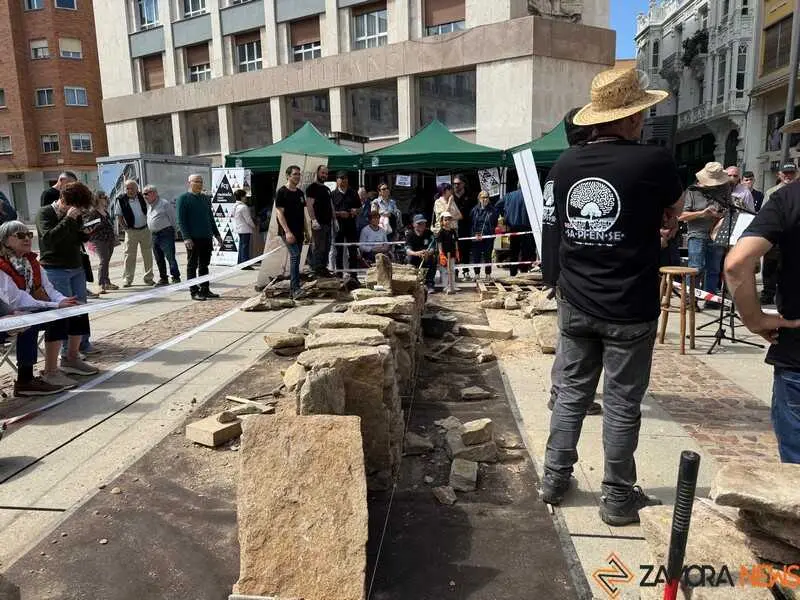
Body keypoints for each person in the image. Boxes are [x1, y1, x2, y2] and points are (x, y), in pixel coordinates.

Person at [541, 68, 684, 526]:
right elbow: (674, 210)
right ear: (629, 118)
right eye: (641, 111)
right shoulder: (653, 162)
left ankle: (553, 479)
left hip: (576, 301)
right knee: (622, 405)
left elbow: (559, 228)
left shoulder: (564, 165)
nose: (644, 119)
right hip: (629, 304)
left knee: (569, 395)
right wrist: (661, 228)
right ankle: (617, 497)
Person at [725, 179, 800, 462]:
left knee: (796, 478)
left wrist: (754, 320)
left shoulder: (789, 197)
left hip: (797, 350)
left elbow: (736, 263)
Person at [543, 107, 603, 418]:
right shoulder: (576, 168)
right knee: (576, 342)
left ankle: (563, 391)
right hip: (573, 270)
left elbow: (550, 224)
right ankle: (565, 394)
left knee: (569, 338)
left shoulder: (559, 168)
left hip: (561, 267)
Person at [0, 221, 85, 396]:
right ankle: (25, 380)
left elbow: (49, 289)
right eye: (20, 235)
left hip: (25, 311)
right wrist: (55, 305)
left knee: (76, 311)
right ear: (6, 241)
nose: (27, 239)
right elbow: (18, 300)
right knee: (33, 319)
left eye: (29, 235)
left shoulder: (31, 263)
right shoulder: (2, 267)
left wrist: (63, 301)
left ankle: (66, 362)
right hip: (11, 316)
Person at [36, 181, 101, 376]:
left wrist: (85, 234)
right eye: (75, 206)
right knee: (64, 314)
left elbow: (72, 239)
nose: (77, 210)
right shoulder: (45, 213)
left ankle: (73, 356)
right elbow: (48, 240)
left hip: (76, 267)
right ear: (63, 200)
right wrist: (67, 221)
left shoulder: (75, 215)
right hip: (56, 269)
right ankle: (62, 358)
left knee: (79, 312)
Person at [679, 162, 730, 302]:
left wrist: (722, 214)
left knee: (713, 269)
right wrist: (702, 213)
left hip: (718, 233)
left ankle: (711, 299)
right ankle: (690, 299)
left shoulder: (724, 188)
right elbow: (681, 215)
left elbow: (730, 208)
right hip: (697, 233)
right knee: (695, 268)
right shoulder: (692, 191)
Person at [176, 174, 223, 301]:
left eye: (201, 182)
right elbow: (181, 220)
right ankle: (194, 291)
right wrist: (186, 237)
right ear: (189, 183)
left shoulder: (205, 198)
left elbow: (210, 218)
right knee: (192, 265)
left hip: (206, 237)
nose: (199, 184)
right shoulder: (183, 198)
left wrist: (217, 235)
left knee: (204, 265)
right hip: (192, 238)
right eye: (196, 182)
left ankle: (205, 289)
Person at [761, 163, 798, 305]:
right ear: (779, 174)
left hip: (793, 235)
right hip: (775, 234)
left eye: (791, 173)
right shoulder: (772, 192)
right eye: (785, 173)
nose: (788, 176)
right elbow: (764, 215)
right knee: (770, 266)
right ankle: (767, 294)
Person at [274, 165, 306, 299]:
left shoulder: (300, 193)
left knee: (297, 259)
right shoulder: (282, 192)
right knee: (295, 256)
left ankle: (296, 286)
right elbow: (279, 214)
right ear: (288, 176)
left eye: (299, 174)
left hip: (299, 231)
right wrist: (287, 232)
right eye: (295, 174)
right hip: (287, 231)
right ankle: (294, 289)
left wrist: (307, 231)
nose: (297, 176)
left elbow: (303, 214)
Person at [115, 180, 154, 287]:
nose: (129, 190)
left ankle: (148, 278)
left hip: (145, 229)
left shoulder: (142, 197)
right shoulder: (121, 200)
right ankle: (127, 279)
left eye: (132, 188)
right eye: (127, 188)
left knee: (147, 255)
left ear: (137, 189)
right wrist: (125, 229)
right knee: (129, 256)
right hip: (131, 231)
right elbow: (119, 216)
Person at [144, 185, 181, 286]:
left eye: (146, 193)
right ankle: (163, 278)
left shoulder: (164, 204)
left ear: (154, 193)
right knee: (158, 257)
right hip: (154, 235)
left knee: (170, 256)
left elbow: (173, 218)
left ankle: (176, 277)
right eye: (144, 194)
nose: (145, 196)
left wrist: (175, 231)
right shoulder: (150, 206)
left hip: (165, 233)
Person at [496, 185, 535, 276]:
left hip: (511, 227)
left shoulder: (509, 195)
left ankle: (513, 273)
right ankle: (524, 271)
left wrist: (504, 217)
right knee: (526, 251)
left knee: (513, 251)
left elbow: (497, 206)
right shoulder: (529, 195)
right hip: (526, 227)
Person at [85, 190, 118, 294]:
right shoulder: (93, 212)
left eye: (105, 196)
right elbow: (87, 226)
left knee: (107, 260)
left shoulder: (105, 211)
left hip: (109, 239)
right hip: (99, 240)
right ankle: (101, 284)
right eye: (103, 197)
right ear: (97, 198)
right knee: (103, 260)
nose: (106, 198)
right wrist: (97, 223)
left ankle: (107, 282)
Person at [305, 165, 335, 277]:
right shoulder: (312, 188)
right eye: (322, 173)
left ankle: (323, 268)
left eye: (326, 173)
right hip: (318, 224)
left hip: (328, 223)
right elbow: (309, 204)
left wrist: (334, 220)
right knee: (318, 247)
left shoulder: (327, 189)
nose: (324, 175)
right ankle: (316, 269)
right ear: (317, 173)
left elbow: (331, 205)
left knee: (327, 247)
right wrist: (313, 220)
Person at [332, 172, 361, 280]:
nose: (344, 180)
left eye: (346, 178)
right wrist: (339, 214)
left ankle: (353, 276)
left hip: (351, 225)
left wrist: (356, 211)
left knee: (353, 251)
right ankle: (339, 275)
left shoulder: (353, 193)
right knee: (338, 251)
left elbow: (359, 208)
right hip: (338, 226)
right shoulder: (333, 194)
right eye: (341, 178)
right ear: (337, 180)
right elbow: (329, 211)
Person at [469, 191, 497, 280]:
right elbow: (470, 222)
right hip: (476, 236)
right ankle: (477, 274)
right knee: (476, 256)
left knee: (487, 256)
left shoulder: (493, 210)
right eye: (483, 197)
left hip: (488, 236)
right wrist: (473, 234)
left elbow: (495, 223)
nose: (485, 199)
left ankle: (488, 274)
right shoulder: (474, 210)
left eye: (486, 197)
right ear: (479, 198)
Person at [405, 214, 436, 293]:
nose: (422, 225)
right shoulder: (410, 234)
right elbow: (408, 250)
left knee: (433, 258)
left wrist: (428, 253)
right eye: (419, 223)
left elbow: (432, 247)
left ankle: (430, 284)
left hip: (426, 256)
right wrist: (416, 253)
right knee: (409, 258)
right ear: (414, 224)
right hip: (415, 256)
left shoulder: (429, 233)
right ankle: (411, 281)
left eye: (423, 223)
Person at [453, 174, 476, 281]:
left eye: (458, 183)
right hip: (454, 228)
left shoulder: (470, 196)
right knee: (455, 250)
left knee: (466, 251)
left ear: (464, 184)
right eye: (454, 184)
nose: (456, 186)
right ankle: (455, 273)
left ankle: (466, 272)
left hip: (466, 227)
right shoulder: (451, 197)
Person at [232, 189, 256, 269]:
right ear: (242, 197)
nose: (246, 198)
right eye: (245, 196)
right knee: (245, 247)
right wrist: (254, 226)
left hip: (239, 228)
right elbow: (248, 220)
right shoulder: (243, 207)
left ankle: (240, 263)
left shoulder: (235, 206)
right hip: (245, 229)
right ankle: (245, 264)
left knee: (242, 246)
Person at [437, 212, 458, 294]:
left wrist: (457, 251)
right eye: (445, 220)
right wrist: (441, 254)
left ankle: (452, 285)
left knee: (452, 269)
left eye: (449, 220)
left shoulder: (453, 231)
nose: (447, 221)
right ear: (442, 221)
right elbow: (439, 244)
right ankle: (446, 286)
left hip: (452, 254)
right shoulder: (441, 232)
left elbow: (456, 242)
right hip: (445, 255)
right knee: (445, 271)